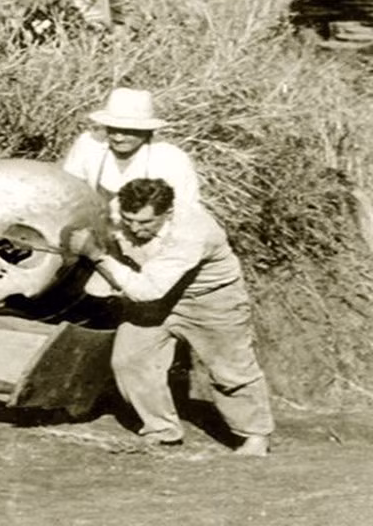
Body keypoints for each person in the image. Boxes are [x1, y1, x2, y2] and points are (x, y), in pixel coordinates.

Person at [70, 178, 273, 457]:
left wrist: (96, 255)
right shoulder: (120, 213)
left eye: (146, 223)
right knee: (130, 359)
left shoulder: (193, 232)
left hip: (211, 301)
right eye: (129, 220)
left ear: (168, 213)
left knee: (230, 370)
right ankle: (161, 429)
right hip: (158, 296)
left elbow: (146, 290)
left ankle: (254, 437)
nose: (135, 228)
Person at [62, 87, 199, 218]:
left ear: (146, 131)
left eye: (129, 131)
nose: (118, 138)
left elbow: (186, 209)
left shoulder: (171, 159)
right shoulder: (89, 143)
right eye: (113, 129)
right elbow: (69, 189)